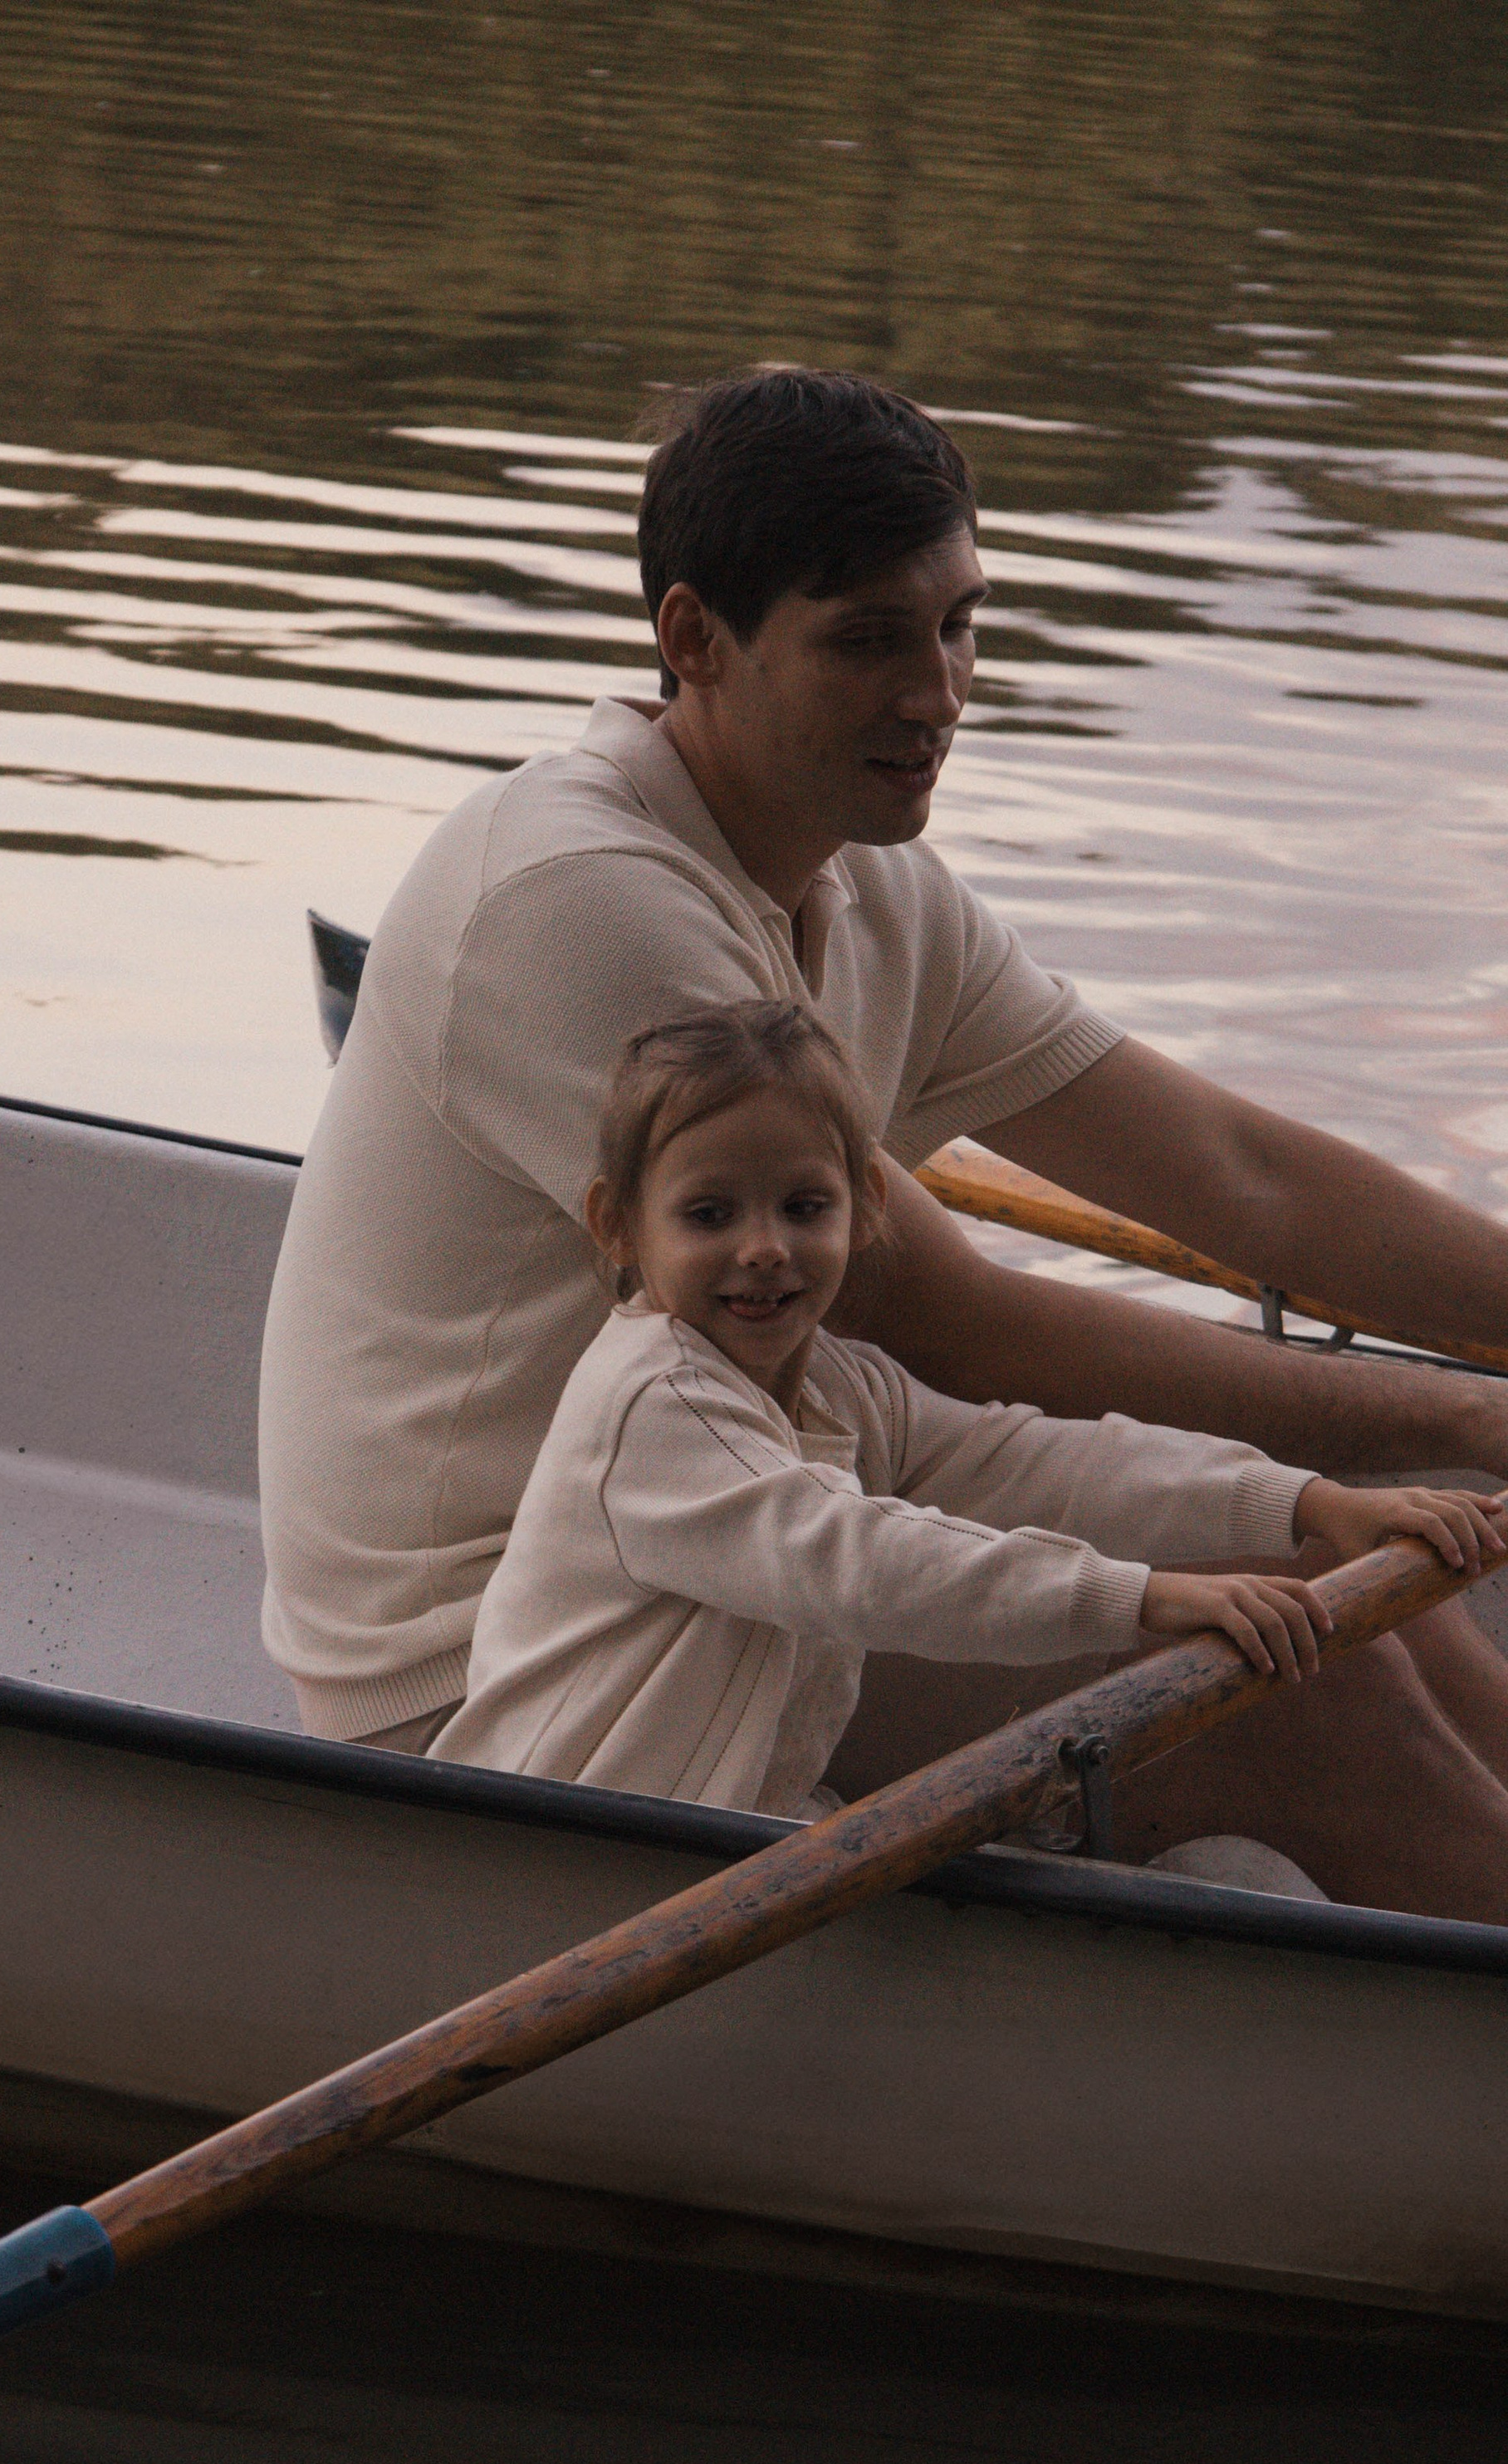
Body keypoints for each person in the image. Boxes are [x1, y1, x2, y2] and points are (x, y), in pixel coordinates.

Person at [258, 366, 1508, 1903]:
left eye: (960, 623)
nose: (939, 695)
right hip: (523, 1664)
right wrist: (1462, 1422)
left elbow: (1246, 1178)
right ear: (693, 641)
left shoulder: (865, 872)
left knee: (1374, 1565)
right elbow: (958, 1326)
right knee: (1309, 1672)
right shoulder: (578, 903)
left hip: (774, 1520)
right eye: (867, 641)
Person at [432, 1005, 1508, 1921]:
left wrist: (1305, 1503)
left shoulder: (835, 1385)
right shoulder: (655, 1404)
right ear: (617, 1225)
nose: (763, 1245)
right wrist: (1144, 1600)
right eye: (709, 1213)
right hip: (554, 1871)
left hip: (718, 1818)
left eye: (804, 1207)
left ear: (868, 1209)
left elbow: (1047, 1459)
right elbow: (867, 1563)